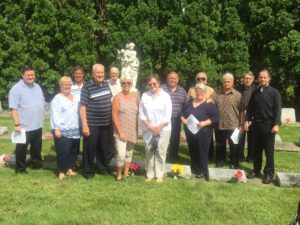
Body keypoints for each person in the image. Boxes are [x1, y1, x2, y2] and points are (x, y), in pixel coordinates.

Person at [245, 69, 282, 184]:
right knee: (257, 150)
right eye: (260, 77)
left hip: (269, 125)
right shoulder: (255, 92)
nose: (262, 79)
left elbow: (278, 110)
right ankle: (256, 170)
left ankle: (269, 173)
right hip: (256, 125)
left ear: (269, 78)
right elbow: (250, 108)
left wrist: (276, 124)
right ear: (258, 79)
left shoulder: (274, 93)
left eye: (264, 77)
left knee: (269, 151)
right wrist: (247, 120)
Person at [8, 66, 44, 174]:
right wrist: (17, 124)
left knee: (36, 147)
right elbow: (13, 108)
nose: (31, 77)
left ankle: (36, 164)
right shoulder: (16, 89)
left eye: (32, 75)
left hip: (37, 124)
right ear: (22, 75)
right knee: (21, 148)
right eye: (28, 75)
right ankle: (20, 169)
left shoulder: (37, 86)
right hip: (23, 125)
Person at [80, 64, 113, 179]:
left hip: (106, 124)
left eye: (102, 73)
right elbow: (82, 106)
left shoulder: (106, 84)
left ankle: (102, 168)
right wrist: (84, 125)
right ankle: (88, 171)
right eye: (97, 73)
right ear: (93, 74)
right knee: (90, 149)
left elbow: (109, 100)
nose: (100, 75)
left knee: (104, 148)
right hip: (92, 124)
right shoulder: (87, 86)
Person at [181, 83, 219, 180]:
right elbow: (182, 113)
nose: (199, 93)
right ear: (194, 92)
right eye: (197, 91)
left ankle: (202, 170)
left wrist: (205, 122)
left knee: (202, 151)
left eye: (201, 91)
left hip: (203, 133)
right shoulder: (189, 103)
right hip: (190, 132)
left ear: (205, 92)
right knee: (192, 149)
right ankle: (194, 167)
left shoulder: (209, 104)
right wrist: (183, 119)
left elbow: (216, 117)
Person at [139, 74, 172, 183]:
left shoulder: (166, 96)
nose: (152, 85)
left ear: (159, 83)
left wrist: (159, 127)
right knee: (149, 151)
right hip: (149, 129)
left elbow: (168, 114)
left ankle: (159, 174)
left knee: (160, 152)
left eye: (154, 83)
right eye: (150, 84)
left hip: (163, 129)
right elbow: (141, 113)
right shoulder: (145, 95)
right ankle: (149, 174)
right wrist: (150, 126)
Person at [212, 73, 244, 169]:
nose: (226, 84)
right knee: (220, 144)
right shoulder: (216, 94)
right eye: (224, 81)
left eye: (228, 82)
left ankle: (234, 162)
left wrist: (241, 124)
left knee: (234, 145)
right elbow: (210, 104)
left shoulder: (238, 95)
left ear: (232, 82)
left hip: (233, 124)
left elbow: (242, 111)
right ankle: (220, 161)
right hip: (220, 124)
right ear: (222, 82)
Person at [50, 76, 80, 180]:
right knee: (63, 151)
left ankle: (69, 168)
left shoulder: (75, 97)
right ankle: (61, 171)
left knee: (73, 151)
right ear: (60, 86)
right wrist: (56, 128)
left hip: (75, 129)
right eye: (64, 84)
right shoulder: (57, 98)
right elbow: (54, 114)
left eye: (68, 84)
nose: (67, 86)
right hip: (62, 129)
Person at [112, 76, 139, 181]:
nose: (126, 85)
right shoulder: (117, 97)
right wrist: (120, 132)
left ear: (131, 84)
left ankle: (126, 173)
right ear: (121, 84)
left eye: (128, 83)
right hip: (120, 131)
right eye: (124, 83)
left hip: (132, 130)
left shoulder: (135, 97)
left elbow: (138, 113)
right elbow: (114, 115)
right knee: (121, 154)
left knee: (129, 153)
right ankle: (118, 174)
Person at [188, 71, 215, 162]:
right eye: (198, 79)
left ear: (206, 80)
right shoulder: (191, 90)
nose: (200, 80)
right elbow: (189, 102)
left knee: (208, 140)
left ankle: (209, 157)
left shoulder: (211, 90)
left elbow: (214, 102)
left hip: (206, 119)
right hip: (194, 120)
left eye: (203, 78)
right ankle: (195, 157)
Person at [161, 71, 188, 163]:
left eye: (174, 78)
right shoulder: (161, 89)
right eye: (170, 78)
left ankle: (173, 157)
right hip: (163, 119)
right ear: (167, 79)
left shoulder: (182, 91)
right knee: (162, 138)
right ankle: (161, 156)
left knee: (175, 139)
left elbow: (186, 105)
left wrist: (183, 117)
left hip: (176, 119)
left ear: (178, 80)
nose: (172, 80)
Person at [237, 71, 257, 162]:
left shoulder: (256, 89)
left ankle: (250, 157)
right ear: (243, 79)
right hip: (240, 115)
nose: (247, 80)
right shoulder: (237, 89)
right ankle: (240, 156)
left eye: (249, 78)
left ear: (252, 79)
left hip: (252, 115)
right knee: (240, 136)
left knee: (252, 138)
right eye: (246, 78)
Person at [71, 66, 85, 159]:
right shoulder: (70, 86)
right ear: (74, 75)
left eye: (80, 73)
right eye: (76, 73)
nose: (78, 75)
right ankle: (74, 159)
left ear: (83, 75)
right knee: (75, 140)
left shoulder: (87, 86)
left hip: (85, 117)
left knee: (86, 140)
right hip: (74, 117)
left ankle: (85, 159)